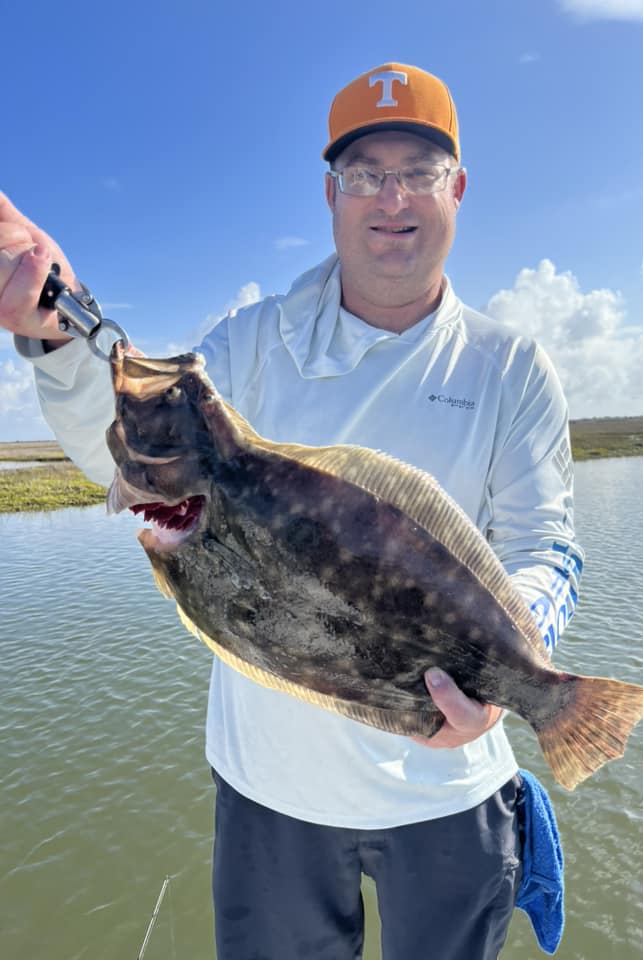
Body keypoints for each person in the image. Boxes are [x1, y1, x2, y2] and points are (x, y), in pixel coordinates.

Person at [0, 63, 583, 959]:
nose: (390, 197)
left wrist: (518, 669)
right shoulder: (250, 344)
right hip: (271, 794)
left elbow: (547, 547)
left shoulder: (511, 368)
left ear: (457, 189)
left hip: (450, 785)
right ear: (330, 193)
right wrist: (54, 334)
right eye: (363, 173)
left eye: (418, 170)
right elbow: (136, 463)